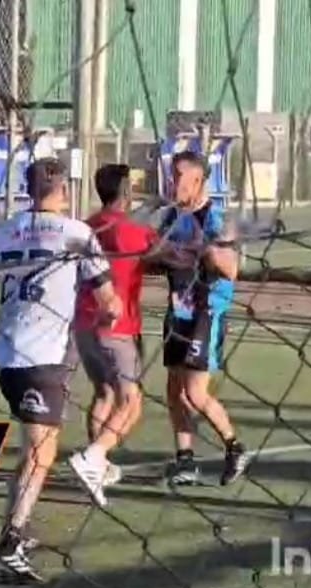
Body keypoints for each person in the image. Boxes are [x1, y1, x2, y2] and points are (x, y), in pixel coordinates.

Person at [0, 157, 122, 583]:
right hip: (42, 357)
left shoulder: (1, 233)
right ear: (65, 190)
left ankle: (15, 531)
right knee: (40, 454)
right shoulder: (78, 234)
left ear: (27, 189)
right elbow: (110, 303)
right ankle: (8, 547)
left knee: (35, 449)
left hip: (4, 355)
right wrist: (106, 317)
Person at [67, 164, 157, 506]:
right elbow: (165, 253)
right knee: (131, 400)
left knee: (104, 393)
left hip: (84, 323)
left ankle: (98, 467)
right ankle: (93, 457)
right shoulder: (133, 230)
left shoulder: (87, 226)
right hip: (117, 324)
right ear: (127, 192)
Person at [158, 150, 248, 487]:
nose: (172, 183)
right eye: (171, 176)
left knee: (195, 392)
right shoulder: (171, 217)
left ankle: (235, 447)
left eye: (178, 177)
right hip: (177, 310)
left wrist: (207, 249)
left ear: (198, 180)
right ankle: (185, 460)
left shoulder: (216, 219)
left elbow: (231, 269)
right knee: (174, 391)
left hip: (205, 312)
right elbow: (156, 257)